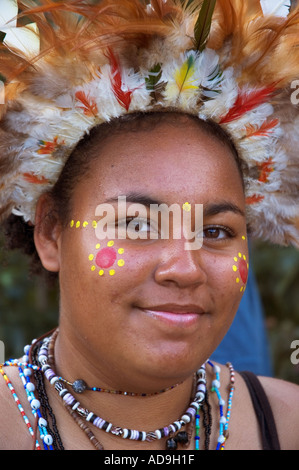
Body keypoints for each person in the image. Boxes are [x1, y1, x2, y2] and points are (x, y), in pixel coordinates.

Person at [0, 0, 299, 451]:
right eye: (137, 225)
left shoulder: (289, 425)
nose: (185, 268)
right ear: (50, 233)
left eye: (216, 231)